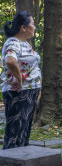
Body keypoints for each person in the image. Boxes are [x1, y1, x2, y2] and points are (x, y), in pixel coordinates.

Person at [1, 11, 41, 149]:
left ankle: (21, 163)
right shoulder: (13, 42)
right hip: (18, 92)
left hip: (28, 92)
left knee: (24, 131)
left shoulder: (24, 44)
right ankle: (9, 164)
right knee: (15, 130)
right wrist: (19, 80)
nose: (34, 27)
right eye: (33, 24)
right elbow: (10, 61)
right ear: (24, 27)